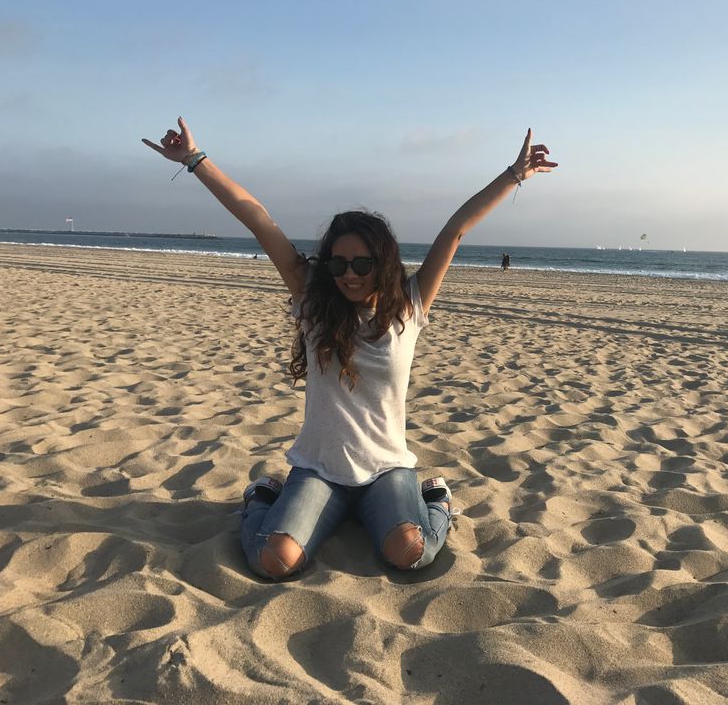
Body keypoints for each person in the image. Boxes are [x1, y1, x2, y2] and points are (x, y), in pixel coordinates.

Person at [142, 118, 557, 579]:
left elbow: (455, 229)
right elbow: (257, 218)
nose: (349, 273)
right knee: (274, 561)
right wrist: (195, 161)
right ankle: (262, 496)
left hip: (387, 471)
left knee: (410, 553)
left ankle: (436, 499)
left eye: (362, 262)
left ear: (383, 262)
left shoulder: (409, 306)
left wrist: (514, 174)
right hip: (319, 471)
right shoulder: (315, 303)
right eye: (339, 263)